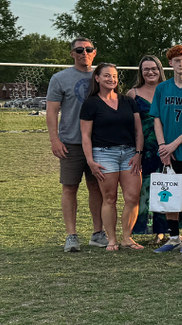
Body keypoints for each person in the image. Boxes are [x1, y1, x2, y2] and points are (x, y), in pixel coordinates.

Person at [46, 37, 106, 251]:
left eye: (88, 49)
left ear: (94, 52)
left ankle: (98, 233)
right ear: (72, 54)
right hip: (71, 143)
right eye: (79, 50)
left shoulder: (102, 76)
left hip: (99, 144)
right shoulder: (60, 78)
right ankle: (71, 235)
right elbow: (52, 111)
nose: (84, 53)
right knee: (70, 188)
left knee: (96, 187)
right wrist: (54, 139)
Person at [79, 63, 143, 250]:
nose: (111, 79)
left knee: (132, 197)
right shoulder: (91, 103)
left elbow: (138, 131)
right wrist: (90, 160)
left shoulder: (128, 101)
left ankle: (127, 238)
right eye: (106, 75)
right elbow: (85, 135)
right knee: (109, 198)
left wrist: (138, 153)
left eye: (114, 76)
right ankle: (112, 239)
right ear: (97, 78)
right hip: (104, 154)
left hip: (130, 154)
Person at [151, 45, 182, 253]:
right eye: (177, 60)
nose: (181, 64)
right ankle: (173, 237)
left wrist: (175, 144)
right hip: (167, 151)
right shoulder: (162, 88)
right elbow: (157, 118)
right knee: (169, 193)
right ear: (170, 63)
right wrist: (163, 146)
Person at [127, 54, 167, 241]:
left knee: (167, 187)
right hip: (144, 149)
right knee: (145, 189)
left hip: (167, 147)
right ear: (141, 73)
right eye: (146, 69)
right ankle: (143, 228)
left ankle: (165, 230)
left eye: (154, 68)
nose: (151, 72)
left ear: (160, 70)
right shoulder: (132, 94)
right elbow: (129, 126)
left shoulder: (169, 90)